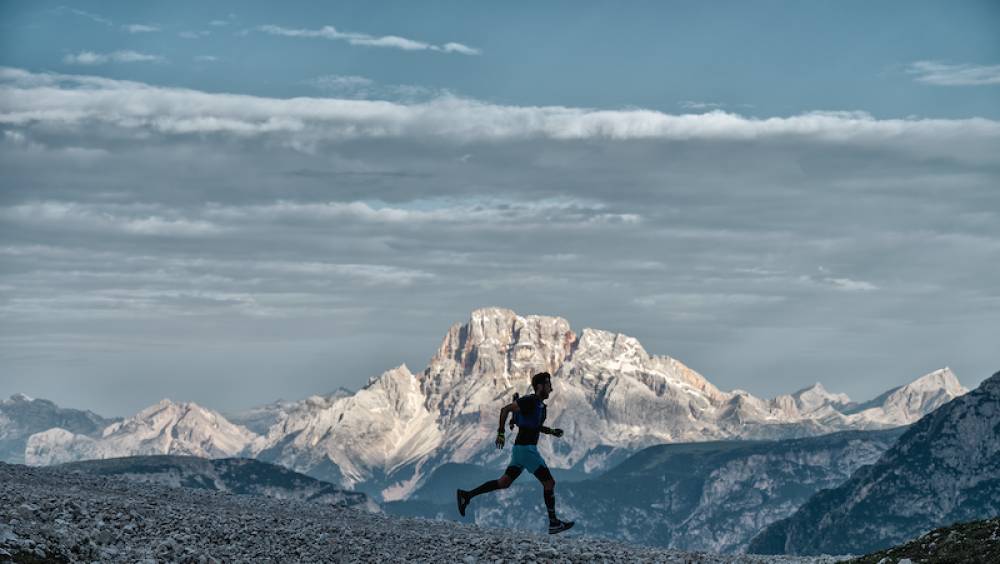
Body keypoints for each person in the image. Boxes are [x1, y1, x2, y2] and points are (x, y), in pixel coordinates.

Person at [456, 372, 575, 535]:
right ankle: (554, 523)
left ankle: (466, 495)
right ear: (539, 386)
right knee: (549, 483)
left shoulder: (542, 407)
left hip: (520, 451)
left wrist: (552, 431)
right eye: (548, 384)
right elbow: (505, 409)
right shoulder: (530, 401)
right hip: (527, 450)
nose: (551, 388)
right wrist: (501, 432)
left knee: (503, 482)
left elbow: (533, 425)